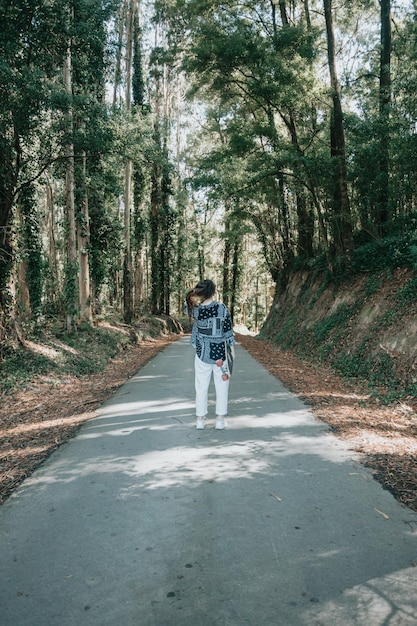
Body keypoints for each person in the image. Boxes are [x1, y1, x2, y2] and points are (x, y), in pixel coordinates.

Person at [186, 279, 236, 430]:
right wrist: (232, 349)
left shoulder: (197, 310)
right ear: (214, 292)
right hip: (220, 353)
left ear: (201, 292)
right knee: (222, 386)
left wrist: (192, 293)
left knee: (201, 386)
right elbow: (227, 330)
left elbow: (185, 305)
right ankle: (220, 420)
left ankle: (200, 420)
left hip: (202, 353)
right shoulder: (222, 308)